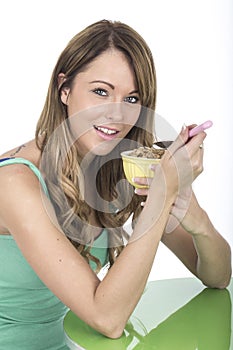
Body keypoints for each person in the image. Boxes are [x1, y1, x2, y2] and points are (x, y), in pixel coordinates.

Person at [0, 19, 231, 349]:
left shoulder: (119, 168)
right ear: (64, 88)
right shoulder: (14, 183)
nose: (117, 115)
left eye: (132, 99)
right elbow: (106, 318)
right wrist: (161, 195)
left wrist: (199, 222)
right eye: (100, 92)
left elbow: (217, 276)